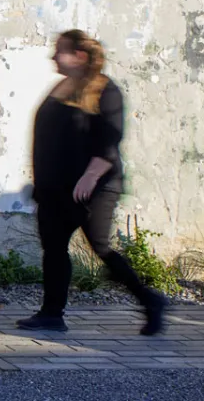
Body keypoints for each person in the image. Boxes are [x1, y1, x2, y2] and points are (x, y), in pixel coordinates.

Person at [18, 29, 167, 335]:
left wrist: (90, 175)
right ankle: (51, 314)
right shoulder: (62, 87)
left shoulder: (104, 90)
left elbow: (111, 138)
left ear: (80, 56)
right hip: (55, 188)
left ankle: (150, 300)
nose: (53, 56)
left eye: (60, 51)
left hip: (92, 188)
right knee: (54, 248)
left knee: (100, 247)